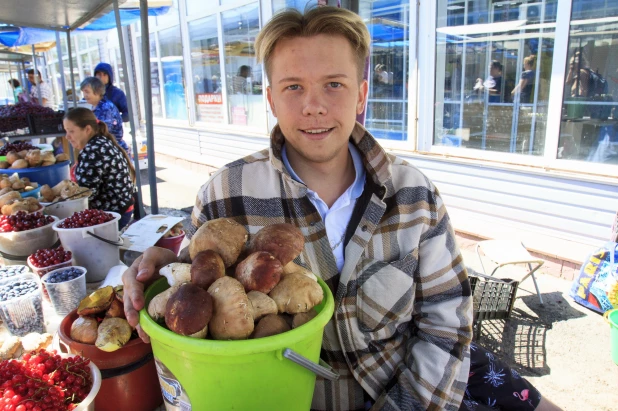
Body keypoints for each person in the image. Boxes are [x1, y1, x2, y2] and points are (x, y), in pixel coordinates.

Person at [122, 7, 560, 410]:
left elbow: (448, 322)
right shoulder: (225, 194)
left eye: (334, 84)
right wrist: (157, 272)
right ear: (271, 100)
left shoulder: (413, 195)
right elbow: (190, 287)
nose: (314, 105)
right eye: (294, 87)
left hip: (406, 394)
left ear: (361, 95)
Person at [63, 107, 135, 230]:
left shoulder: (93, 151)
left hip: (113, 215)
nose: (67, 137)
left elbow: (85, 195)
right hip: (122, 208)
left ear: (87, 129)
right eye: (66, 131)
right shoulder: (100, 142)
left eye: (71, 131)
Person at [80, 77, 129, 152]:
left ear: (97, 92)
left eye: (87, 92)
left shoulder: (106, 108)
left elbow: (102, 133)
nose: (85, 95)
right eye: (83, 92)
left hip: (113, 150)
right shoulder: (92, 106)